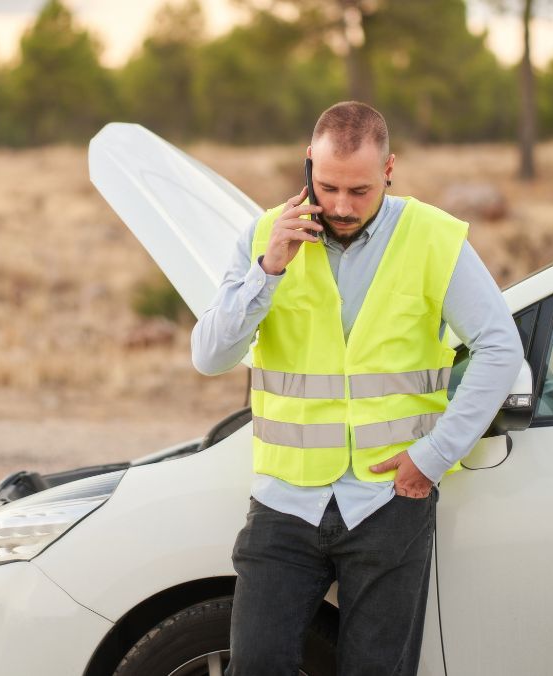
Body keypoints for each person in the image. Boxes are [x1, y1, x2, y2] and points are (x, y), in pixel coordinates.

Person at [191, 101, 523, 675]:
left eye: (360, 191)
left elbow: (500, 348)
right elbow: (210, 356)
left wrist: (436, 455)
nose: (341, 206)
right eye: (328, 187)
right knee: (258, 666)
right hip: (284, 503)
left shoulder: (434, 238)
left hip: (389, 501)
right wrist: (268, 270)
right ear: (307, 167)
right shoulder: (262, 239)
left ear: (389, 169)